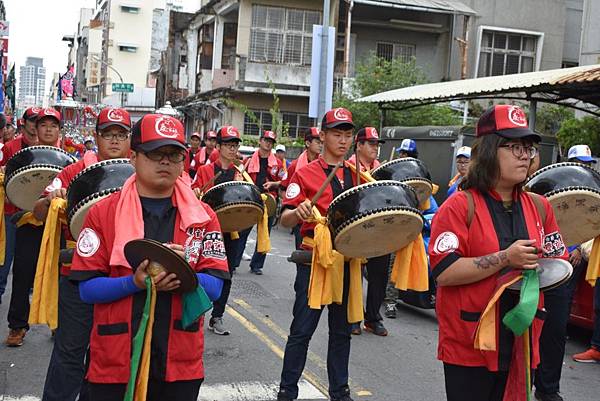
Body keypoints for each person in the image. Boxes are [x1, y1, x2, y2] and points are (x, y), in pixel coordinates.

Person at [69, 113, 229, 401]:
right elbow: (87, 289)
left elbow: (216, 287)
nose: (165, 161)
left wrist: (180, 272)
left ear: (184, 161)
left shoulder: (204, 218)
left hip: (179, 362)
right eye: (155, 153)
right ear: (134, 157)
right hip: (115, 359)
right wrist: (135, 282)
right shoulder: (102, 214)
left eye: (174, 154)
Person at [429, 105, 568, 401]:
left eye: (527, 148)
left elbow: (558, 264)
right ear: (490, 151)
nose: (523, 155)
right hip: (471, 343)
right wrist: (506, 258)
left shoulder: (541, 207)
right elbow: (444, 273)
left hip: (522, 340)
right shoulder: (458, 207)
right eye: (513, 146)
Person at [32, 107, 132, 401]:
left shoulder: (139, 174)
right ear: (96, 137)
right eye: (108, 134)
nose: (114, 141)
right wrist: (51, 200)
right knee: (71, 349)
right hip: (78, 273)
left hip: (123, 275)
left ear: (130, 140)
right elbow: (37, 211)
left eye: (121, 135)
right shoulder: (74, 172)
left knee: (112, 353)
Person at [277, 107, 357, 401]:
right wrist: (297, 212)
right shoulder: (305, 173)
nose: (343, 140)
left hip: (346, 260)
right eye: (337, 133)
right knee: (302, 328)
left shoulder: (357, 174)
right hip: (314, 261)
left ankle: (340, 391)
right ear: (322, 136)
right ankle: (287, 390)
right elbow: (284, 218)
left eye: (348, 134)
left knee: (342, 331)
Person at [533, 143, 597, 401]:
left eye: (589, 163)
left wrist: (580, 247)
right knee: (524, 324)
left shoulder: (594, 188)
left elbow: (588, 225)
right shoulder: (546, 184)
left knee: (555, 329)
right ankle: (516, 381)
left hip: (563, 267)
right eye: (581, 162)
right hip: (532, 262)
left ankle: (548, 388)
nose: (586, 167)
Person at [5, 108, 62, 347]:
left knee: (61, 277)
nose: (48, 129)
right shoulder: (24, 156)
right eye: (43, 125)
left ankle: (58, 324)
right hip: (29, 221)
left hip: (58, 225)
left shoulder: (70, 158)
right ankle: (17, 326)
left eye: (53, 125)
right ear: (35, 129)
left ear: (59, 130)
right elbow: (10, 191)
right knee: (22, 273)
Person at [193, 126, 244, 336]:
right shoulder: (206, 170)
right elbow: (195, 193)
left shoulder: (240, 173)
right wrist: (196, 191)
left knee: (227, 274)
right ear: (219, 146)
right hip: (209, 231)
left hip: (231, 231)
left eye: (235, 145)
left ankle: (217, 316)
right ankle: (198, 311)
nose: (232, 149)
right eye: (229, 145)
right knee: (204, 272)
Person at [346, 127, 388, 336]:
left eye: (377, 144)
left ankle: (373, 317)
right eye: (371, 144)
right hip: (357, 228)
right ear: (359, 145)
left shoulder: (382, 169)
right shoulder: (347, 168)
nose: (375, 148)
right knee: (354, 273)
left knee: (379, 274)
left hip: (379, 230)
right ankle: (353, 317)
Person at [0, 107, 40, 306]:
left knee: (31, 271)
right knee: (3, 266)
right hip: (10, 215)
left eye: (39, 121)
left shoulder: (49, 149)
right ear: (23, 124)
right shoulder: (10, 148)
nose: (35, 126)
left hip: (36, 217)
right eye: (32, 121)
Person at [237, 130, 284, 275]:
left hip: (268, 201)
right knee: (242, 231)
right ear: (260, 141)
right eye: (266, 140)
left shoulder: (277, 163)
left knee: (264, 233)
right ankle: (234, 261)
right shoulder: (249, 160)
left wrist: (274, 184)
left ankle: (257, 265)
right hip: (251, 199)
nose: (268, 143)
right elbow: (239, 177)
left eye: (271, 142)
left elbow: (284, 181)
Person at [280, 127, 322, 249]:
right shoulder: (295, 166)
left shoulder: (324, 165)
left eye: (322, 143)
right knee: (303, 258)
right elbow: (283, 189)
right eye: (317, 142)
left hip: (320, 221)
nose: (320, 146)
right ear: (308, 143)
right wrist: (293, 208)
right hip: (301, 219)